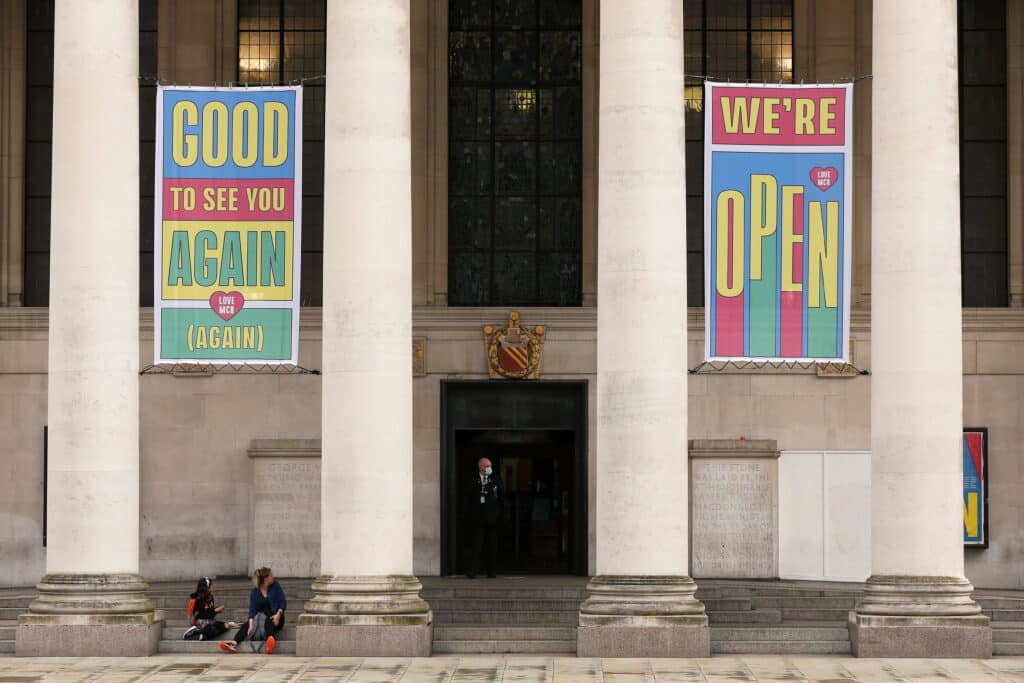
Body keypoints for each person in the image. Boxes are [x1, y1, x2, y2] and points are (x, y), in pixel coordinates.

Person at [219, 567, 286, 654]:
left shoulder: (276, 586)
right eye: (271, 575)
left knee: (269, 621)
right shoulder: (255, 592)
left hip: (277, 618)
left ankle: (270, 641)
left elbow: (283, 602)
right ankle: (234, 643)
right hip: (261, 620)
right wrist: (250, 625)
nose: (273, 577)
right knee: (246, 625)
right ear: (266, 579)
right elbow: (252, 611)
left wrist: (278, 615)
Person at [467, 456, 503, 578]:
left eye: (490, 466)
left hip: (492, 519)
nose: (489, 468)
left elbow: (502, 498)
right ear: (481, 467)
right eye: (487, 466)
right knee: (476, 546)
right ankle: (473, 571)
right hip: (477, 519)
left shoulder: (496, 480)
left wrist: (501, 516)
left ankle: (491, 572)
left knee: (492, 546)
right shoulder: (473, 479)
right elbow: (468, 500)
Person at [183, 576, 239, 641]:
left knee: (226, 626)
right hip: (200, 623)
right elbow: (202, 615)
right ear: (207, 587)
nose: (213, 586)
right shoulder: (198, 599)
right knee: (212, 630)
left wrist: (217, 611)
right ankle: (195, 632)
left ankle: (201, 636)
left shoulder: (210, 597)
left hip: (210, 621)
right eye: (211, 585)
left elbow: (210, 613)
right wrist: (215, 610)